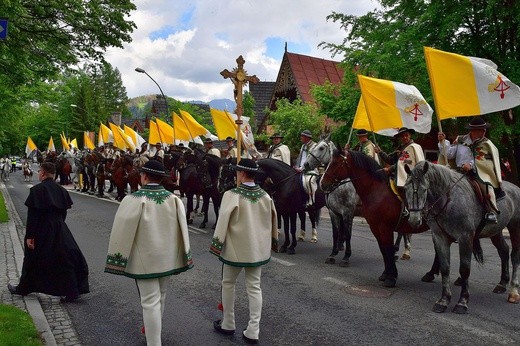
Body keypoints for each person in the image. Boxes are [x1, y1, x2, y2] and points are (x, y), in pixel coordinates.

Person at [105, 160, 193, 346]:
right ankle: (154, 331)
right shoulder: (174, 199)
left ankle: (154, 342)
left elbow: (121, 231)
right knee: (161, 295)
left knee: (150, 301)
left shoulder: (133, 199)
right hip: (168, 258)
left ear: (144, 176)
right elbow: (182, 229)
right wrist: (184, 255)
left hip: (144, 259)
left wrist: (116, 259)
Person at [210, 158, 278, 345]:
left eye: (237, 172)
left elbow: (222, 221)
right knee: (254, 287)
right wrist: (272, 242)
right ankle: (253, 330)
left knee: (228, 283)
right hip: (257, 250)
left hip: (235, 249)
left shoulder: (232, 195)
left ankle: (228, 322)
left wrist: (217, 244)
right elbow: (273, 221)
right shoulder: (265, 196)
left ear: (241, 174)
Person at [8, 162, 89, 302]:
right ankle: (72, 291)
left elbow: (33, 216)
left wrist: (30, 236)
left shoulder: (37, 190)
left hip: (41, 229)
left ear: (43, 173)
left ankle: (24, 287)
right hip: (59, 228)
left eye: (39, 171)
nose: (38, 173)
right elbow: (63, 212)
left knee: (32, 258)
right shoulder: (61, 190)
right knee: (65, 259)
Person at [437, 117, 502, 223]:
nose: (484, 131)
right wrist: (442, 142)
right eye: (481, 129)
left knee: (486, 187)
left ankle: (491, 211)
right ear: (472, 131)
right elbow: (448, 154)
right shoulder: (461, 140)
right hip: (457, 172)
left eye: (484, 129)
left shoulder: (486, 144)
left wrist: (471, 166)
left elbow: (484, 161)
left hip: (477, 173)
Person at [376, 127, 424, 260]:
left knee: (408, 192)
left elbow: (411, 164)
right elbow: (392, 160)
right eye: (402, 136)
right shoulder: (401, 149)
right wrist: (379, 152)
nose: (404, 138)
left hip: (411, 178)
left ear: (409, 136)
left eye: (406, 135)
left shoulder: (414, 147)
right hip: (397, 177)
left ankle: (409, 210)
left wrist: (389, 169)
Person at [294, 130, 318, 242]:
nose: (300, 138)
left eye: (302, 136)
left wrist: (302, 168)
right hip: (301, 169)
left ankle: (311, 200)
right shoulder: (303, 146)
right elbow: (301, 158)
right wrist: (296, 166)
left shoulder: (314, 146)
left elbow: (310, 161)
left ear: (307, 137)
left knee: (308, 181)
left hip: (311, 170)